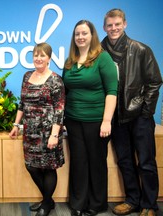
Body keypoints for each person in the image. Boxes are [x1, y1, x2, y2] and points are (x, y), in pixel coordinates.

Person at [101, 9, 162, 216]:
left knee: (146, 161)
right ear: (104, 27)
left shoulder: (141, 49)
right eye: (110, 25)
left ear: (125, 24)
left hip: (139, 117)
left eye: (117, 24)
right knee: (125, 161)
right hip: (116, 118)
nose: (114, 28)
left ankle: (150, 204)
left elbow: (155, 82)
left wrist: (146, 112)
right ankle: (133, 200)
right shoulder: (99, 51)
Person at [62, 20, 118, 216]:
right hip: (73, 120)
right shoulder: (69, 61)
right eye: (77, 34)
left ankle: (96, 204)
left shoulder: (103, 59)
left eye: (84, 33)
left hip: (96, 120)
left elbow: (112, 91)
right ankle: (78, 203)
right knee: (78, 162)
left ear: (92, 35)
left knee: (96, 161)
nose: (80, 37)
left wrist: (106, 121)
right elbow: (65, 91)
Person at [9, 42, 65, 216]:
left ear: (49, 58)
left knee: (48, 167)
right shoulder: (27, 76)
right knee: (32, 167)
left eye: (42, 55)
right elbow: (22, 103)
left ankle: (47, 203)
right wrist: (16, 125)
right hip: (30, 131)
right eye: (36, 55)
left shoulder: (55, 79)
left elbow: (60, 109)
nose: (38, 58)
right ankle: (48, 200)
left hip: (48, 131)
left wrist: (54, 135)